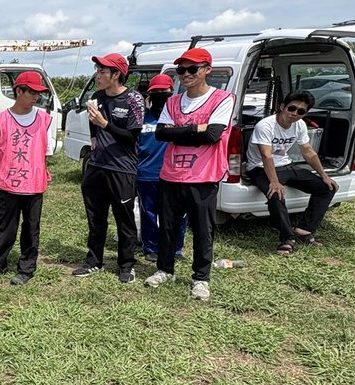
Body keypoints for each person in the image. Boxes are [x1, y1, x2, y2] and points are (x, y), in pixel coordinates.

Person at [145, 47, 235, 300]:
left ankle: (201, 278)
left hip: (203, 176)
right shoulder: (173, 101)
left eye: (192, 69)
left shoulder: (222, 99)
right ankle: (165, 269)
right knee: (168, 226)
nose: (185, 74)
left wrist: (180, 132)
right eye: (181, 70)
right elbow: (161, 133)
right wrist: (196, 129)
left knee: (203, 230)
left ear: (207, 69)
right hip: (171, 174)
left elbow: (213, 135)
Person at [72, 52, 144, 283]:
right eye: (97, 70)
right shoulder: (97, 95)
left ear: (116, 75)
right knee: (95, 217)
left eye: (102, 71)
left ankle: (127, 265)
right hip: (97, 165)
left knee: (124, 219)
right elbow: (93, 120)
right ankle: (94, 261)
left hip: (122, 168)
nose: (97, 75)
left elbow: (131, 136)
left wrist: (104, 124)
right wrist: (94, 135)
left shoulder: (133, 99)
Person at [0, 71, 53, 285]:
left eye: (38, 93)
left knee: (31, 228)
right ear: (18, 91)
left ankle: (26, 269)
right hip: (7, 184)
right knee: (4, 227)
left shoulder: (44, 119)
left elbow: (47, 151)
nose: (36, 97)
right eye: (32, 92)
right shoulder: (0, 120)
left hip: (34, 184)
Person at [245, 90, 338, 253]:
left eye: (301, 111)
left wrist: (324, 176)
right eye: (292, 108)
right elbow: (266, 155)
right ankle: (287, 239)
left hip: (286, 164)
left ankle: (304, 230)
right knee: (276, 194)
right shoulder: (265, 125)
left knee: (327, 188)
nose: (295, 113)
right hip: (259, 167)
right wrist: (274, 182)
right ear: (282, 107)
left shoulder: (299, 125)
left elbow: (308, 151)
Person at [136, 74, 186, 263]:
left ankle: (176, 248)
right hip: (147, 174)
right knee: (149, 213)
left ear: (172, 92)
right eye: (155, 92)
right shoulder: (142, 119)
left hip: (175, 175)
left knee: (178, 214)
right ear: (149, 94)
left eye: (164, 91)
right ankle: (151, 247)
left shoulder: (179, 118)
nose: (160, 95)